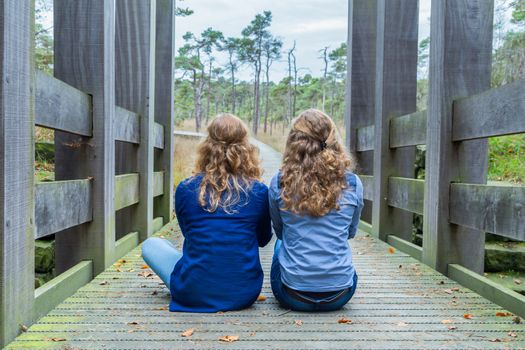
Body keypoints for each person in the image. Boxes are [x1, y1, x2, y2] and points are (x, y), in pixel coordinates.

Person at [142, 113, 272, 312]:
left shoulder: (186, 188)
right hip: (244, 293)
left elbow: (190, 234)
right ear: (246, 147)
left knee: (152, 244)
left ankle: (197, 278)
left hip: (191, 291)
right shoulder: (259, 191)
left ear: (207, 145)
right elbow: (263, 239)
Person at [269, 109, 363, 312]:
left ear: (294, 143)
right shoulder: (353, 184)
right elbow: (350, 232)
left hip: (292, 294)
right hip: (340, 294)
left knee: (279, 244)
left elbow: (279, 231)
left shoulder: (279, 182)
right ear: (333, 141)